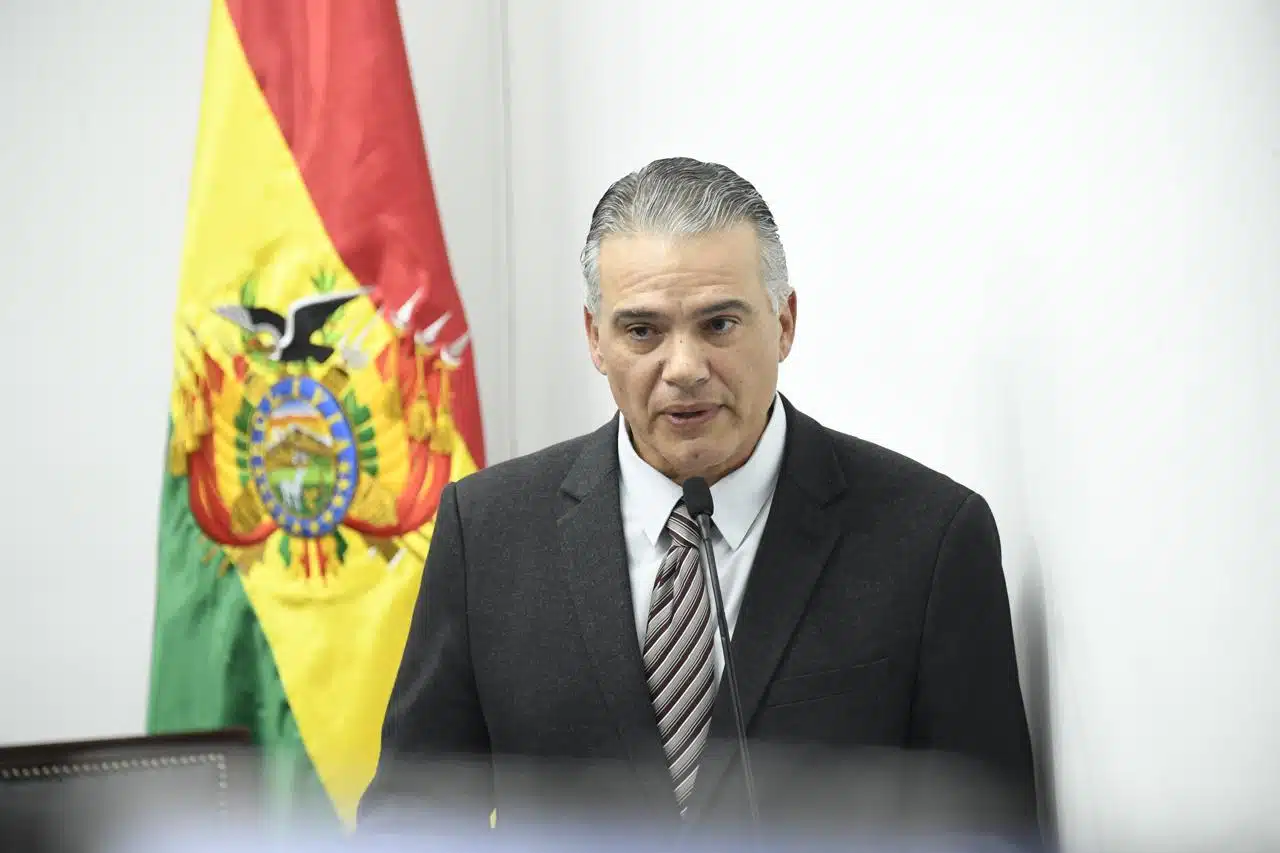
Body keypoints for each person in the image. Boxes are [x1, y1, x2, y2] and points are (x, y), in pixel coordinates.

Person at [359, 157, 1039, 841]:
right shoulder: (488, 532)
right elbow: (412, 818)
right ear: (595, 339)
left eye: (718, 324)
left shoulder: (930, 539)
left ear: (784, 323)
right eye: (643, 331)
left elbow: (986, 832)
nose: (684, 369)